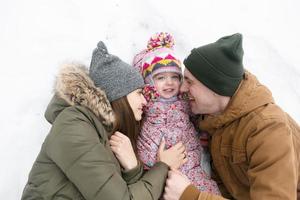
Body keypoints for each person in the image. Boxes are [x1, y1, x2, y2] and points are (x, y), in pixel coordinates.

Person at [21, 41, 187, 200]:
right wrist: (163, 166)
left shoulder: (103, 133)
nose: (144, 101)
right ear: (118, 95)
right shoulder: (73, 125)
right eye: (138, 93)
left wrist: (132, 168)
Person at [163, 33, 300, 200]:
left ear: (215, 87)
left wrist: (191, 196)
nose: (182, 88)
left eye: (190, 82)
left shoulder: (267, 128)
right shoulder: (213, 117)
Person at [132, 32, 220, 195]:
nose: (169, 82)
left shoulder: (185, 100)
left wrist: (203, 138)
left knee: (206, 190)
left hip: (190, 161)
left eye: (174, 76)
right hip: (160, 163)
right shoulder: (145, 103)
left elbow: (198, 121)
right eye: (161, 77)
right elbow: (140, 134)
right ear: (149, 82)